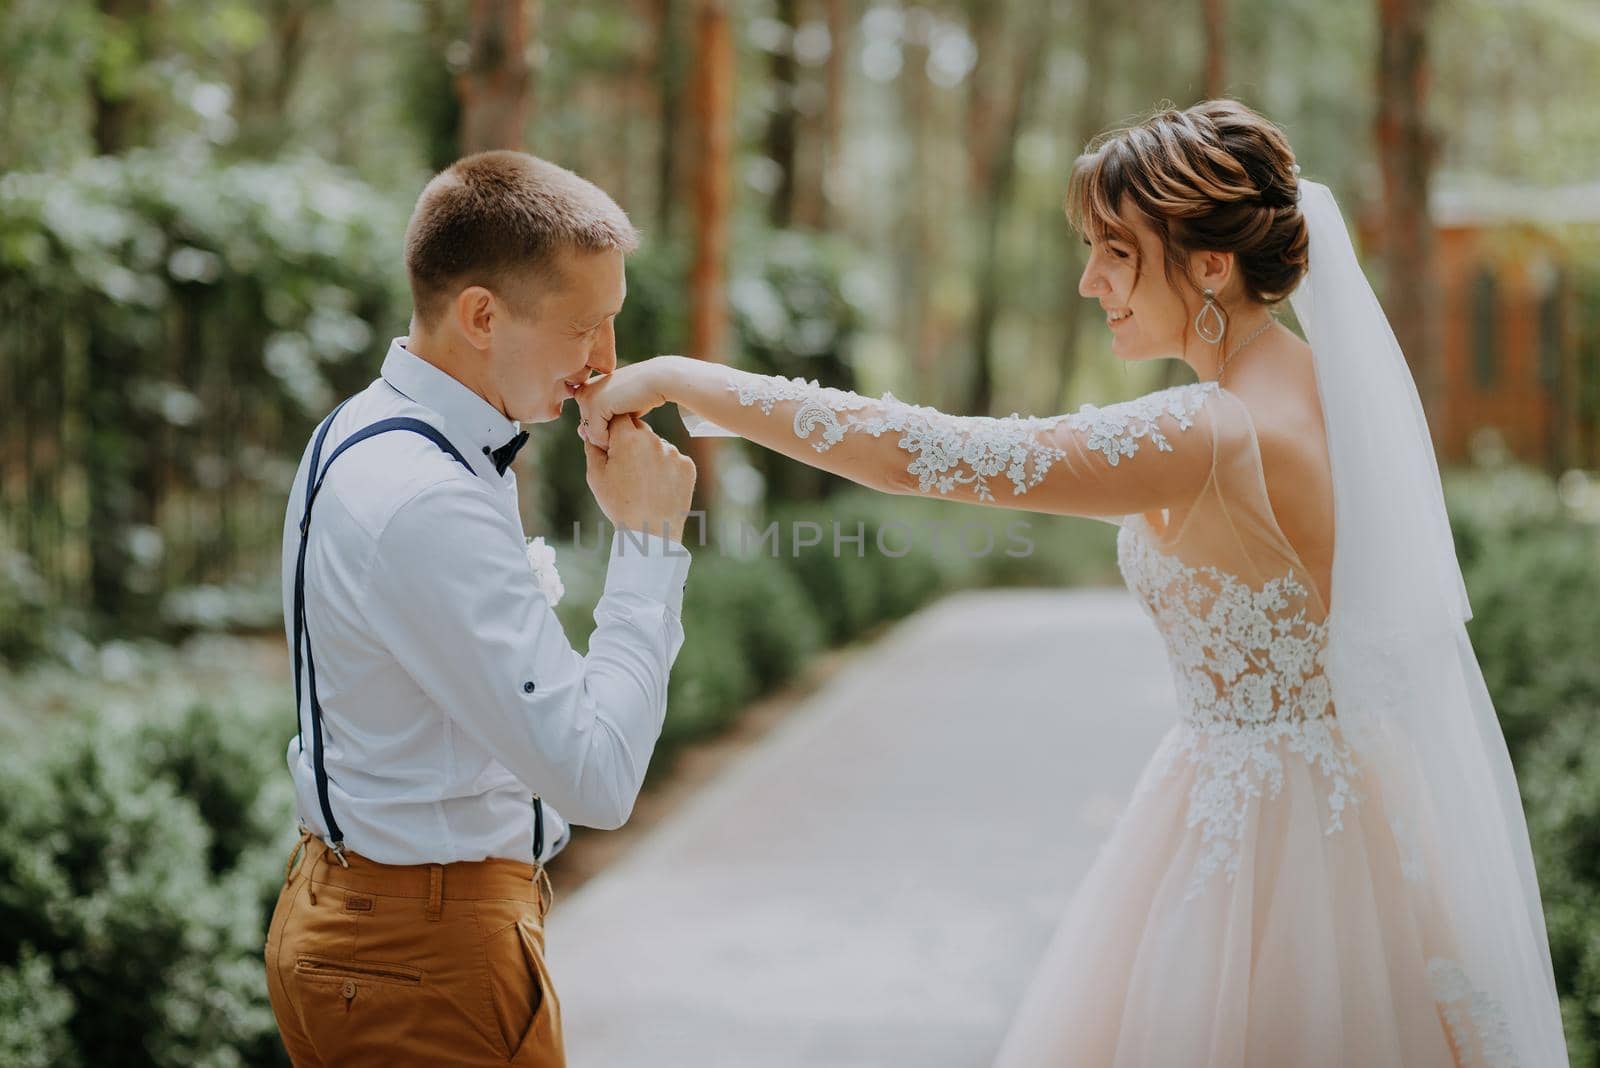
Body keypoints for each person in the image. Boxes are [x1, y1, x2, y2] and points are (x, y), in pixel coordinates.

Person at [576, 100, 1568, 1066]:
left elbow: (921, 455)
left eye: (1116, 251)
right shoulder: (1328, 396)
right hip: (1361, 828)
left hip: (1256, 854)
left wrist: (679, 379)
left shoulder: (1208, 432)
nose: (1090, 280)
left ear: (1211, 264)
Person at [264, 150, 697, 1067]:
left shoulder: (361, 429)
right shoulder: (428, 497)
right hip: (427, 963)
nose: (605, 365)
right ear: (481, 314)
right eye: (587, 328)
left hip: (368, 927)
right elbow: (597, 776)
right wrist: (650, 545)